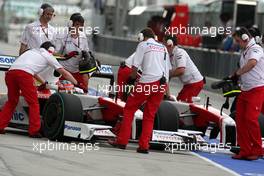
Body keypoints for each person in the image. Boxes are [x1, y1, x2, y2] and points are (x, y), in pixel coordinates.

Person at [108, 28, 171, 153]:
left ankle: (122, 141)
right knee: (150, 115)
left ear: (142, 36)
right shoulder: (163, 48)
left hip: (147, 82)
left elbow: (135, 67)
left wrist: (131, 80)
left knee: (129, 109)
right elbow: (167, 70)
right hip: (161, 85)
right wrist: (166, 91)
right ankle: (144, 146)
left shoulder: (143, 45)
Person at [0, 41, 78, 138]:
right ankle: (34, 131)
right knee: (33, 103)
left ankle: (0, 126)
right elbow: (64, 73)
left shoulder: (32, 51)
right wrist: (77, 84)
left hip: (10, 74)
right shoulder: (48, 56)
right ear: (51, 51)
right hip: (24, 75)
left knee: (12, 102)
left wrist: (44, 82)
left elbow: (32, 71)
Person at [231, 27, 264, 160]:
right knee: (240, 120)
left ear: (245, 38)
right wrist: (233, 76)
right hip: (245, 89)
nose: (237, 44)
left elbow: (252, 63)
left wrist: (238, 73)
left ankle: (257, 150)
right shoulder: (245, 51)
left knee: (250, 119)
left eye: (238, 41)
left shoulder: (256, 49)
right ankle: (245, 150)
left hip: (257, 89)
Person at [19, 3, 57, 83]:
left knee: (46, 89)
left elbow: (53, 48)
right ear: (41, 13)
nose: (49, 16)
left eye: (51, 15)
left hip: (47, 66)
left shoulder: (53, 30)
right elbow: (23, 45)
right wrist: (20, 62)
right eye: (47, 14)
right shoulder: (30, 27)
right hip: (33, 63)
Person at [55, 13, 90, 93]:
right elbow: (54, 54)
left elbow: (86, 51)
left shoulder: (83, 36)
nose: (79, 27)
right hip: (65, 71)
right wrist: (67, 56)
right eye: (77, 24)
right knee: (64, 94)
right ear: (71, 24)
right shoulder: (62, 35)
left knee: (83, 92)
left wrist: (88, 56)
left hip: (78, 71)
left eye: (81, 25)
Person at [165, 35, 204, 103]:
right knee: (178, 101)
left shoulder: (180, 52)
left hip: (195, 83)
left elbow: (181, 71)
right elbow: (168, 75)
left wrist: (166, 74)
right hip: (188, 84)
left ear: (169, 43)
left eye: (164, 43)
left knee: (182, 103)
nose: (163, 45)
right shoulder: (169, 55)